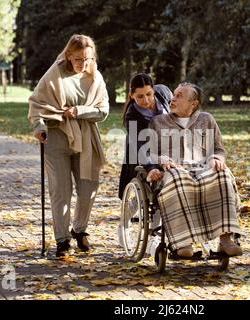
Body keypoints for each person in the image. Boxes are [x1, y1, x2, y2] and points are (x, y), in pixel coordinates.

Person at [28, 34, 109, 257]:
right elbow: (37, 104)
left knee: (88, 189)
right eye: (79, 59)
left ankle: (79, 230)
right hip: (56, 136)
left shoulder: (96, 78)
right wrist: (39, 126)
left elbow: (103, 111)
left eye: (88, 59)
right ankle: (62, 240)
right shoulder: (54, 74)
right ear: (69, 55)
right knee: (61, 192)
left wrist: (79, 111)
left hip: (86, 137)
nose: (84, 64)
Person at [147, 82, 244, 258]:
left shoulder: (206, 120)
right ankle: (183, 243)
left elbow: (219, 149)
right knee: (179, 179)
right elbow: (149, 153)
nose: (173, 99)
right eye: (174, 95)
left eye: (179, 96)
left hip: (202, 169)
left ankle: (225, 240)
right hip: (173, 170)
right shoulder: (158, 122)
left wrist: (216, 158)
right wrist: (161, 160)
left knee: (223, 175)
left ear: (194, 103)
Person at [118, 73, 172, 199]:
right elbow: (139, 145)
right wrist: (150, 167)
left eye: (149, 94)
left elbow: (178, 108)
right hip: (141, 147)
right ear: (131, 96)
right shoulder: (131, 116)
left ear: (153, 90)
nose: (146, 100)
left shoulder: (163, 92)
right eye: (140, 96)